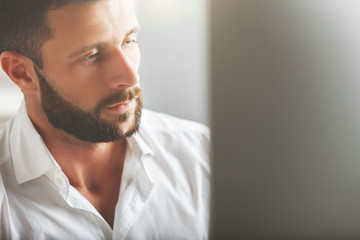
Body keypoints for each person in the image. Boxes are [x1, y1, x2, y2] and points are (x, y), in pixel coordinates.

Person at [0, 0, 210, 239]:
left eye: (128, 41)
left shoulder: (202, 156)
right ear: (22, 72)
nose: (131, 76)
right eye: (91, 56)